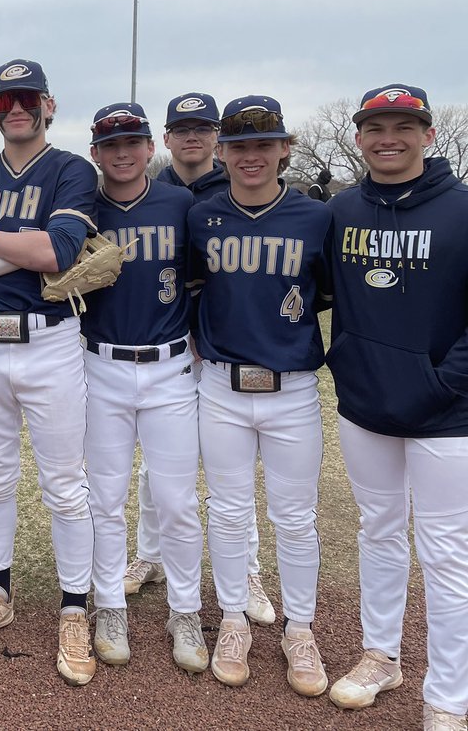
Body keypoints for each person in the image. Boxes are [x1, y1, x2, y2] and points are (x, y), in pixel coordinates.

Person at [0, 59, 99, 686]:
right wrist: (13, 244)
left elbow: (58, 253)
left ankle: (74, 607)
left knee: (65, 483)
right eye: (5, 101)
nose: (16, 109)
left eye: (27, 98)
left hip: (51, 343)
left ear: (48, 105)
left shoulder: (70, 170)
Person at [325, 85, 468, 729]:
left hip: (448, 411)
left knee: (446, 551)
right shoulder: (343, 210)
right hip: (365, 405)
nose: (389, 137)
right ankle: (381, 655)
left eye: (403, 126)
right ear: (358, 136)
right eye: (376, 126)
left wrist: (442, 384)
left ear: (427, 133)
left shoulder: (462, 210)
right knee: (378, 532)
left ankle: (447, 696)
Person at [188, 96, 331, 696]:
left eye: (263, 144)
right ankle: (232, 619)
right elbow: (191, 290)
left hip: (292, 388)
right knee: (226, 510)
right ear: (222, 152)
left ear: (285, 149)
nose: (252, 156)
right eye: (240, 146)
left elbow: (327, 296)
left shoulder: (317, 217)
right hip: (221, 385)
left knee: (295, 519)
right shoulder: (202, 217)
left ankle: (300, 629)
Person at [129, 92, 275, 630]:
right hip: (166, 344)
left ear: (217, 136)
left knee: (227, 468)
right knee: (157, 461)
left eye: (202, 128)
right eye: (181, 129)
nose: (192, 137)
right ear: (165, 139)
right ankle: (150, 555)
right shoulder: (152, 186)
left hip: (219, 345)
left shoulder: (237, 187)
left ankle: (251, 570)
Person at [80, 103, 207, 674]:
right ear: (95, 154)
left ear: (150, 145)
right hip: (99, 365)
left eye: (132, 141)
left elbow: (205, 280)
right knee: (104, 500)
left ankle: (185, 611)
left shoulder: (181, 203)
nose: (122, 153)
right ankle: (108, 604)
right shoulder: (82, 207)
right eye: (110, 145)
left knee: (177, 501)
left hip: (169, 367)